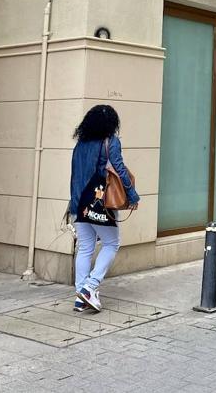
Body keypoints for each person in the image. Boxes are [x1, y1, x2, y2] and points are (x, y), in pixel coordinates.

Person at [68, 105, 139, 313]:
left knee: (85, 247)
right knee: (111, 243)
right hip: (100, 202)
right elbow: (118, 169)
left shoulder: (80, 144)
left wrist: (74, 203)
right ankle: (90, 287)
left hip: (79, 202)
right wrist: (132, 195)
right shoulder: (111, 141)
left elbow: (74, 174)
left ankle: (80, 296)